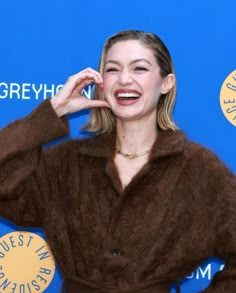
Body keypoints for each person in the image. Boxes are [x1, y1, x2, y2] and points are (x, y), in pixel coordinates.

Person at [0, 30, 235, 293]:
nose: (124, 79)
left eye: (139, 69)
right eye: (112, 70)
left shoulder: (199, 169)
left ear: (166, 83)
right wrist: (53, 111)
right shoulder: (64, 163)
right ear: (100, 82)